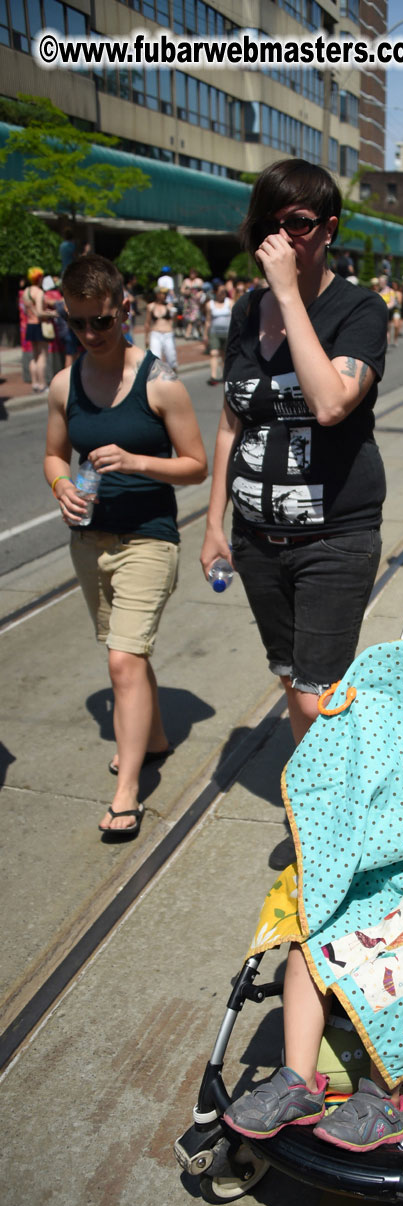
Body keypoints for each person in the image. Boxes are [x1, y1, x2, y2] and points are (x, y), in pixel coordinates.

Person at [199, 158, 387, 746]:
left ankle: (332, 793)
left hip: (334, 538)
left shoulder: (360, 310)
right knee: (289, 674)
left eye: (298, 224)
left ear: (329, 229)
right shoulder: (245, 312)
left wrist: (286, 294)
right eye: (268, 226)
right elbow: (231, 421)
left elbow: (331, 403)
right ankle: (315, 782)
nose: (280, 240)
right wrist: (213, 524)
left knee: (316, 694)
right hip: (257, 540)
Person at [43, 255, 207, 836]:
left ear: (124, 310)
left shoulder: (160, 383)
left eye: (102, 321)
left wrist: (138, 461)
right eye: (78, 322)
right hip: (89, 541)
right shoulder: (64, 383)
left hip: (149, 537)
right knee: (127, 654)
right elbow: (54, 454)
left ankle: (127, 792)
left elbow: (197, 466)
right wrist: (62, 487)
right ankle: (154, 737)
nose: (90, 333)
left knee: (121, 659)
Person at [23, 267, 56, 393]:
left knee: (34, 356)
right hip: (39, 325)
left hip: (30, 325)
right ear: (39, 278)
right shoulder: (39, 292)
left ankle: (35, 383)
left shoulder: (26, 291)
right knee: (42, 356)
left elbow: (28, 310)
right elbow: (40, 312)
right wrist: (53, 314)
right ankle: (42, 384)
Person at [203, 280, 233, 386]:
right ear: (215, 292)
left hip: (227, 333)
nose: (223, 294)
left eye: (224, 292)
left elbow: (234, 318)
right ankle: (213, 376)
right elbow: (208, 320)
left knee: (224, 355)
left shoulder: (230, 302)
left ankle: (225, 375)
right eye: (221, 292)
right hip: (214, 333)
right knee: (214, 353)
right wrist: (205, 335)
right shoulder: (209, 304)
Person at [144, 288, 178, 372]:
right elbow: (147, 323)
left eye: (165, 294)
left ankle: (173, 376)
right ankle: (157, 377)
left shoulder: (169, 306)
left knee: (171, 359)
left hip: (168, 334)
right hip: (155, 334)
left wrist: (174, 314)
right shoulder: (151, 306)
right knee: (155, 358)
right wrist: (146, 338)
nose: (164, 296)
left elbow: (174, 322)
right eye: (163, 293)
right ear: (157, 294)